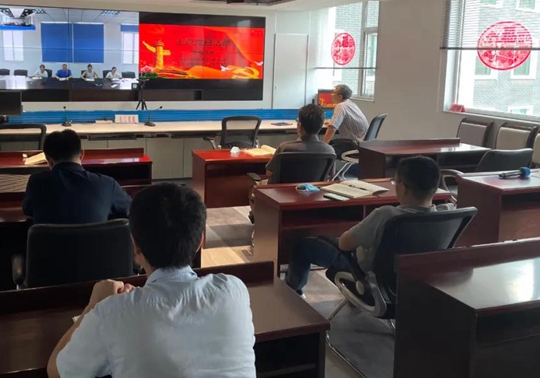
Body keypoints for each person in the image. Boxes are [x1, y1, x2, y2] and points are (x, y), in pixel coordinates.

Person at [48, 183, 256, 378]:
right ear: (200, 241)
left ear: (135, 246)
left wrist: (93, 305)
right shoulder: (234, 291)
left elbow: (57, 370)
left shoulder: (110, 314)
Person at [285, 156, 454, 294]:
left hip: (370, 281)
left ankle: (292, 293)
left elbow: (344, 243)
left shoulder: (387, 215)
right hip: (414, 285)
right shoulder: (448, 215)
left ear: (403, 188)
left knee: (304, 246)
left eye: (395, 182)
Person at [22, 130, 131, 224]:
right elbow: (130, 208)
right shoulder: (107, 184)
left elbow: (27, 210)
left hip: (49, 243)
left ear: (49, 160)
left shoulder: (36, 182)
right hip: (94, 243)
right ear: (82, 154)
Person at [265, 104, 334, 180]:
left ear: (299, 125)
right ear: (320, 126)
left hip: (284, 188)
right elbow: (330, 175)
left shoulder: (285, 148)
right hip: (314, 187)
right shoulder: (329, 150)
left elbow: (269, 173)